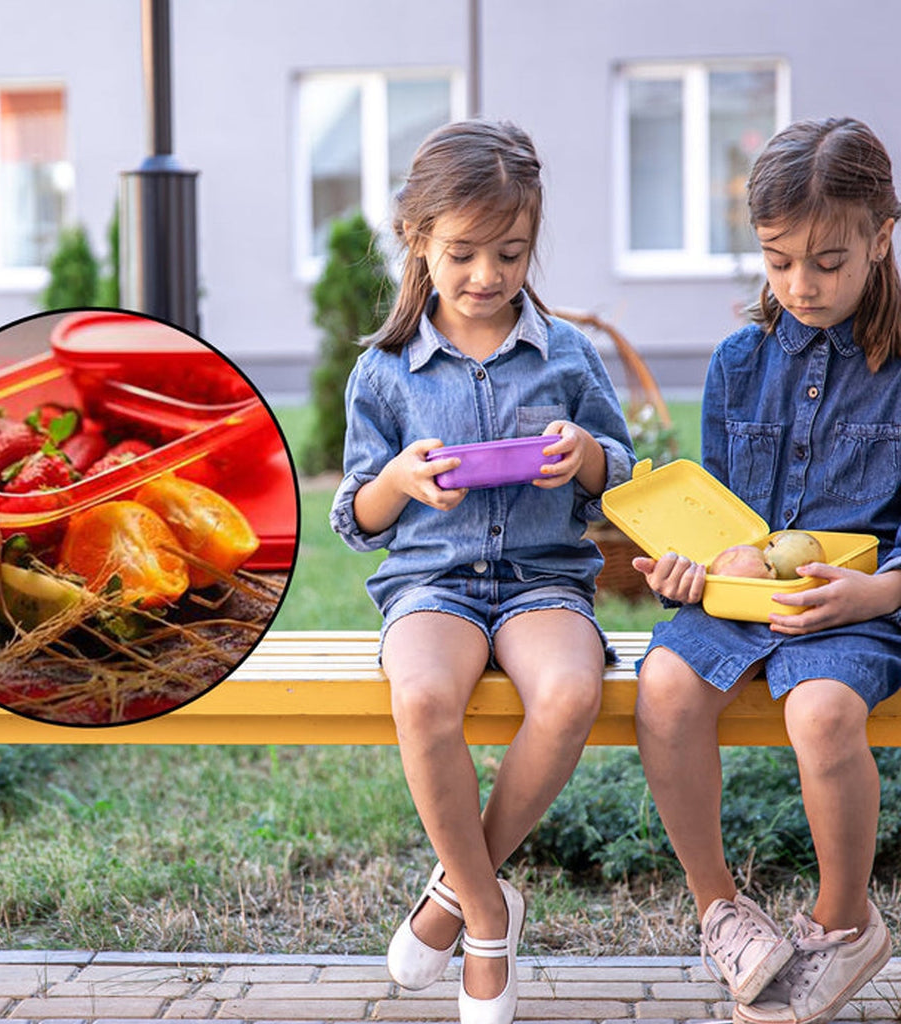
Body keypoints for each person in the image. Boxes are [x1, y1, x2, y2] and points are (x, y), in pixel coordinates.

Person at [330, 119, 634, 1024]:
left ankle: (453, 896)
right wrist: (398, 479)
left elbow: (621, 478)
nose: (486, 276)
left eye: (511, 253)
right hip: (433, 584)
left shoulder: (567, 353)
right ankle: (491, 918)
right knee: (423, 698)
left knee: (571, 694)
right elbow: (355, 517)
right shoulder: (385, 371)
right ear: (416, 239)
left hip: (544, 581)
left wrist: (585, 455)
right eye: (462, 254)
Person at [633, 116, 901, 1024]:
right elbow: (715, 519)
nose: (800, 285)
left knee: (821, 713)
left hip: (860, 607)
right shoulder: (737, 363)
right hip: (741, 602)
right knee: (665, 688)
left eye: (827, 262)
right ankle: (720, 910)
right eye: (779, 261)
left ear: (881, 237)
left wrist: (878, 591)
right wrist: (693, 568)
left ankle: (844, 922)